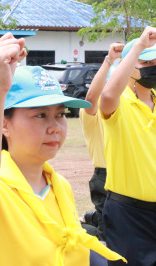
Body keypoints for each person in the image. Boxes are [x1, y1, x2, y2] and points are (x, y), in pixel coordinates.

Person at [0, 33, 126, 265]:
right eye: (40, 115)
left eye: (60, 114)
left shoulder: (60, 186)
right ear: (4, 124)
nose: (55, 127)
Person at [99, 26, 156, 265]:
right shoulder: (120, 102)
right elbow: (107, 96)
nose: (152, 66)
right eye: (145, 62)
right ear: (129, 67)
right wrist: (139, 46)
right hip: (128, 215)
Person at [79, 43, 124, 241]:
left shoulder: (127, 109)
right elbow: (90, 98)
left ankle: (95, 217)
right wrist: (109, 61)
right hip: (105, 177)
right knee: (108, 237)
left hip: (126, 175)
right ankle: (78, 228)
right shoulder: (92, 112)